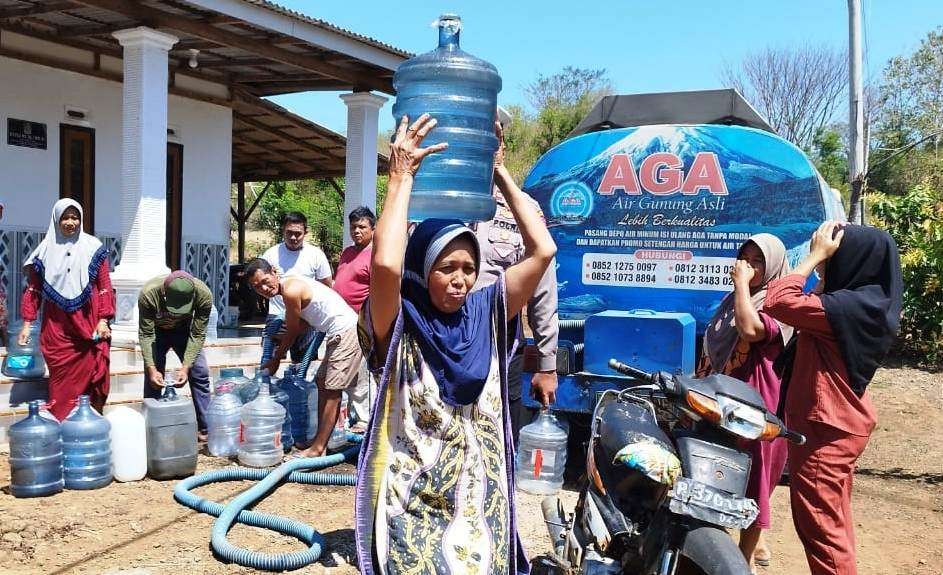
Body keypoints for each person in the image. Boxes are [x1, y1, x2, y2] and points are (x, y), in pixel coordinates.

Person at [354, 114, 556, 574]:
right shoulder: (400, 319)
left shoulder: (484, 311)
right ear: (423, 270)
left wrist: (499, 171)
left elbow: (542, 250)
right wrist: (400, 176)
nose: (461, 279)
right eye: (447, 268)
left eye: (469, 267)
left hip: (477, 493)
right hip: (413, 494)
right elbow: (385, 265)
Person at [764, 222, 902, 575]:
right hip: (837, 426)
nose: (828, 260)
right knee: (833, 526)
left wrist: (814, 257)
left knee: (822, 533)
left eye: (836, 255)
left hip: (825, 431)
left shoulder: (846, 310)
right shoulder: (865, 305)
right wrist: (826, 271)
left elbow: (777, 299)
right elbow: (806, 302)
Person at [699, 234, 793, 571]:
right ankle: (719, 549)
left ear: (773, 268)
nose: (748, 267)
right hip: (723, 397)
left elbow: (751, 330)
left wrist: (741, 285)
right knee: (717, 474)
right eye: (745, 258)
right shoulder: (734, 300)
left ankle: (743, 560)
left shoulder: (779, 301)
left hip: (757, 405)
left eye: (758, 262)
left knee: (754, 483)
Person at [473, 127, 559, 443]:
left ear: (502, 149)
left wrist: (547, 366)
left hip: (501, 344)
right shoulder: (440, 198)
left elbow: (543, 291)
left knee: (500, 438)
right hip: (443, 344)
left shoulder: (524, 210)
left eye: (492, 142)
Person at [245, 257, 361, 458]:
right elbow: (305, 322)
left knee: (332, 390)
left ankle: (318, 448)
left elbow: (293, 330)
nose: (263, 288)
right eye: (257, 287)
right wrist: (281, 334)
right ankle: (319, 442)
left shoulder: (290, 289)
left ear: (273, 271)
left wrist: (275, 359)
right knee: (322, 382)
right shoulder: (289, 287)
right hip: (338, 332)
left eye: (265, 281)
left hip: (346, 331)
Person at [19, 199, 113, 419]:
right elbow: (34, 290)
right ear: (56, 220)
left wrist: (103, 319)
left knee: (91, 373)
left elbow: (104, 286)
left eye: (75, 217)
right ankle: (62, 424)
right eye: (66, 217)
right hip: (56, 329)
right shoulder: (42, 252)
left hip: (88, 324)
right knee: (60, 380)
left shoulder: (93, 248)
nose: (71, 222)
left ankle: (86, 426)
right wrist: (26, 323)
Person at [138, 271, 214, 436]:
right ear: (164, 292)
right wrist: (152, 369)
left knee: (199, 372)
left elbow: (198, 334)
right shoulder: (148, 294)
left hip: (184, 331)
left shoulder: (204, 295)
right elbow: (146, 334)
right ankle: (151, 430)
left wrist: (186, 368)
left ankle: (206, 429)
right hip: (156, 333)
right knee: (153, 380)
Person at [260, 211, 332, 362]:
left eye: (298, 234)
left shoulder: (315, 255)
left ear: (305, 232)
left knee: (303, 363)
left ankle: (300, 383)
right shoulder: (270, 255)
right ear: (283, 231)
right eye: (289, 233)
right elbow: (259, 283)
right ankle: (269, 383)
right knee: (270, 360)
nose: (293, 237)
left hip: (306, 318)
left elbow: (326, 286)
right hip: (277, 315)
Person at [333, 206, 376, 433]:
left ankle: (364, 418)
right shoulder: (347, 252)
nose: (356, 231)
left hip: (362, 322)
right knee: (343, 368)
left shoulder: (376, 255)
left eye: (362, 227)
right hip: (340, 322)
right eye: (353, 227)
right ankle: (349, 414)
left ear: (372, 229)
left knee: (360, 372)